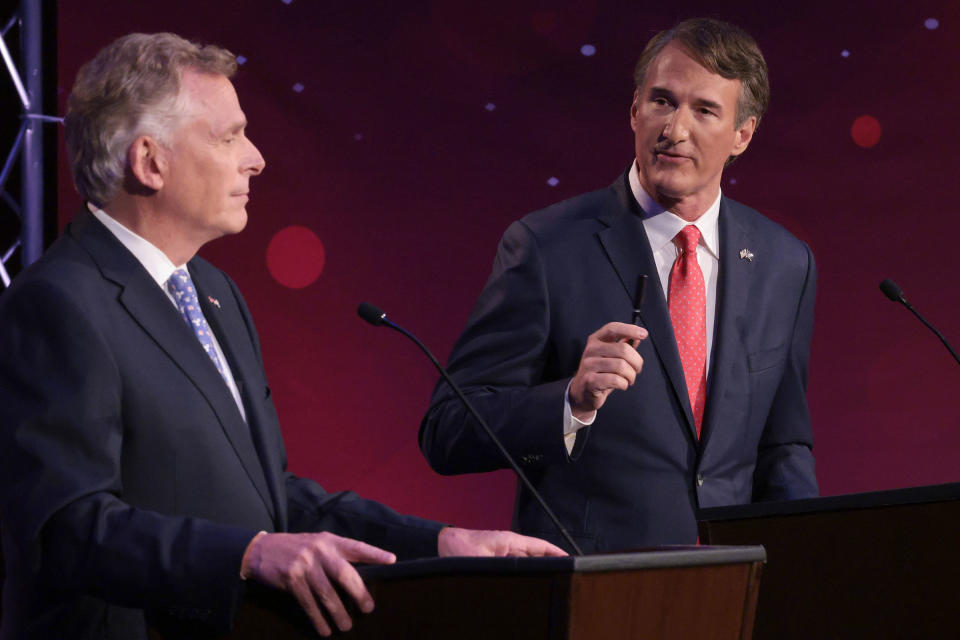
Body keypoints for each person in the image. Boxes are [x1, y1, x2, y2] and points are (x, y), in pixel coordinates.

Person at [0, 32, 564, 640]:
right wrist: (247, 555)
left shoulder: (215, 293)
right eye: (228, 136)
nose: (255, 157)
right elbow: (66, 526)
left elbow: (274, 503)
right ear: (150, 162)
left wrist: (442, 543)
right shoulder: (57, 302)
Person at [420, 18, 818, 553]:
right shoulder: (548, 246)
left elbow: (783, 444)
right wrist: (570, 401)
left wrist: (805, 565)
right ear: (634, 110)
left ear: (743, 134)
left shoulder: (784, 263)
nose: (674, 129)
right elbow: (448, 432)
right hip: (597, 588)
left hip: (727, 588)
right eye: (661, 101)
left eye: (704, 110)